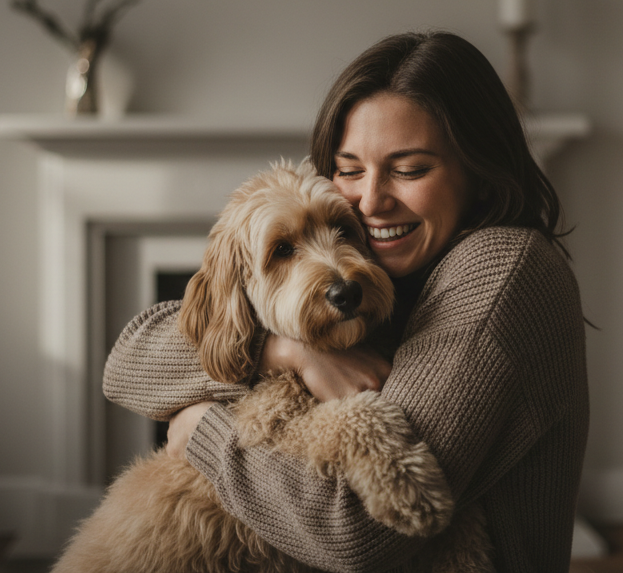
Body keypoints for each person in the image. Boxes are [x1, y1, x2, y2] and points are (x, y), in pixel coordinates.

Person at [103, 30, 588, 573]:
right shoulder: (386, 267)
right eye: (350, 170)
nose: (371, 202)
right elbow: (125, 366)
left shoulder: (499, 267)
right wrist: (288, 351)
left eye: (409, 170)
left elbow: (358, 532)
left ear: (477, 168)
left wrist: (204, 433)